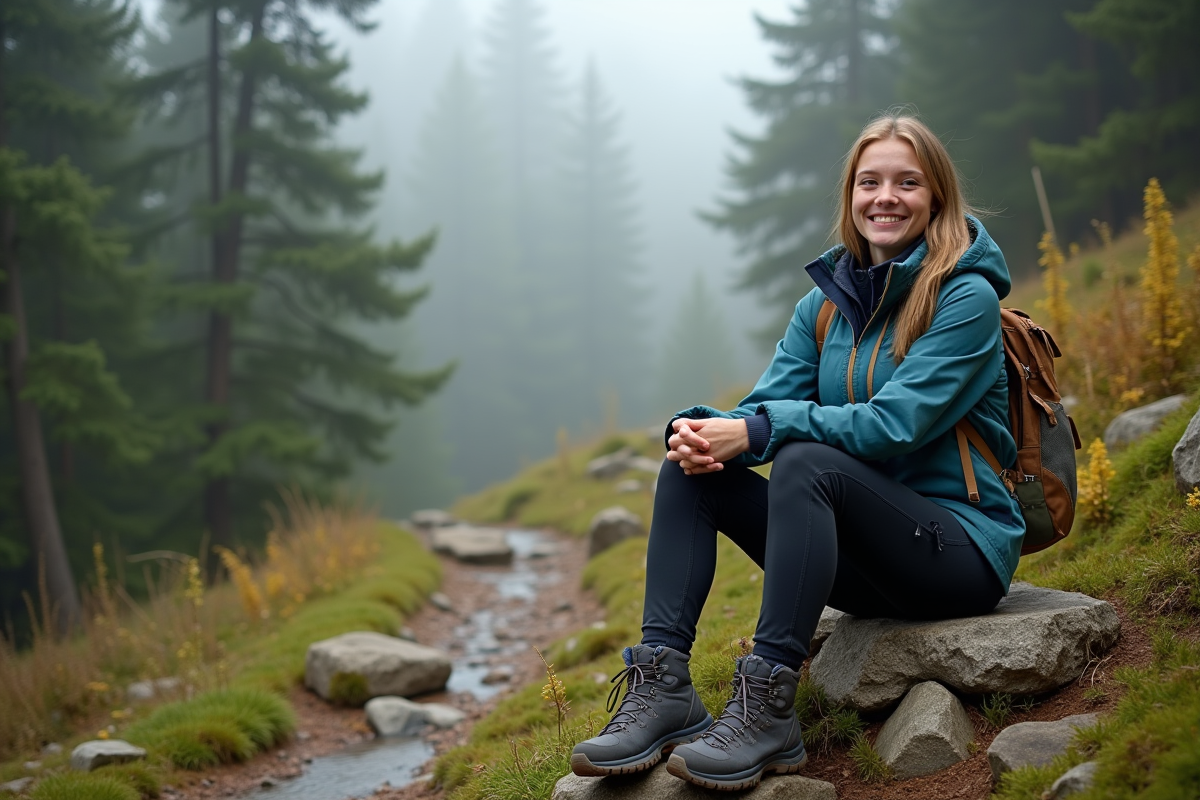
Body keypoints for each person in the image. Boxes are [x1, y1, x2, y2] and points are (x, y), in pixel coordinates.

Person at [569, 112, 1025, 792]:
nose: (886, 198)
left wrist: (758, 431)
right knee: (693, 472)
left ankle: (769, 709)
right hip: (859, 553)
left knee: (805, 459)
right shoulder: (823, 306)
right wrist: (699, 431)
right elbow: (764, 409)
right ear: (850, 197)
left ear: (937, 198)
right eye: (869, 182)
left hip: (954, 550)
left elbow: (893, 425)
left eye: (907, 182)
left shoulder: (964, 298)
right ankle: (663, 686)